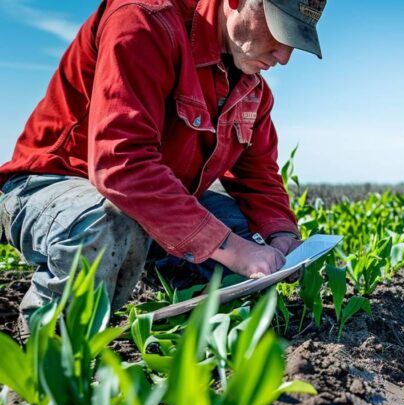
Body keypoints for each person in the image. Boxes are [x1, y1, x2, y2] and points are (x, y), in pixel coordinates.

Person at [0, 0, 327, 328]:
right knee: (108, 222)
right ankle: (47, 344)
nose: (284, 56)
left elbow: (259, 177)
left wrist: (281, 234)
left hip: (152, 203)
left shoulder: (250, 87)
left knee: (256, 244)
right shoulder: (143, 20)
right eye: (278, 31)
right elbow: (121, 164)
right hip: (55, 184)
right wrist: (230, 248)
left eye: (294, 41)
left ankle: (169, 287)